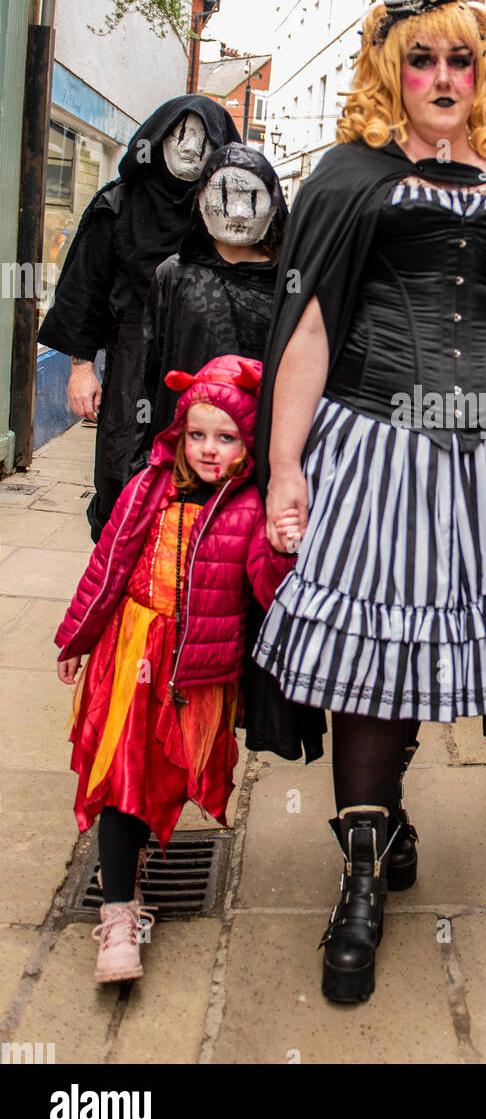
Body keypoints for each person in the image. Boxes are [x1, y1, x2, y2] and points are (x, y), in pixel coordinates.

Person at [253, 0, 486, 1003]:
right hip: (373, 443)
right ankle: (358, 874)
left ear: (481, 72)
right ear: (393, 70)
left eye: (459, 59)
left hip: (484, 458)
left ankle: (382, 816)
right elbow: (309, 325)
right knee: (368, 663)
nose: (441, 76)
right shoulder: (351, 175)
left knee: (423, 656)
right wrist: (283, 463)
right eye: (421, 58)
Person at [55, 355, 294, 984]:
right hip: (129, 654)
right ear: (177, 433)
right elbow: (106, 567)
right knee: (120, 777)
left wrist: (283, 543)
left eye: (227, 437)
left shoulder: (249, 508)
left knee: (160, 780)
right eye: (197, 434)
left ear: (250, 443)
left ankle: (126, 881)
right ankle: (118, 917)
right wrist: (76, 637)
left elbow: (269, 592)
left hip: (193, 679)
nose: (209, 449)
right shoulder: (147, 488)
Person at [133, 142, 325, 765]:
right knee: (196, 604)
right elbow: (151, 374)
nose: (238, 211)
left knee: (264, 598)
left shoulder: (298, 281)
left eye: (252, 196)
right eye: (225, 194)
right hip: (193, 475)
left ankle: (258, 716)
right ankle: (187, 726)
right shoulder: (174, 276)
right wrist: (143, 470)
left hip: (270, 472)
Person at [38, 94, 240, 541]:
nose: (190, 148)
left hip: (208, 365)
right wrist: (80, 368)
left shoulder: (229, 212)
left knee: (201, 485)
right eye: (180, 135)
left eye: (203, 140)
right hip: (133, 363)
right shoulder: (118, 204)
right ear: (159, 138)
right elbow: (84, 287)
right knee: (124, 475)